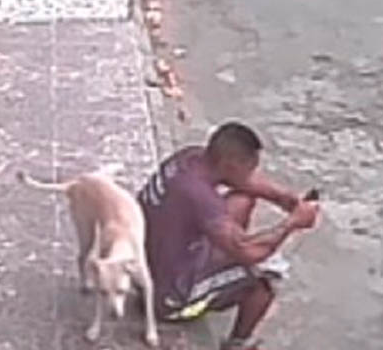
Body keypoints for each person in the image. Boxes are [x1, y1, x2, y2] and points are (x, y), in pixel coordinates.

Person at [137, 122, 322, 349]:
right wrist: (292, 223)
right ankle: (237, 343)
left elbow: (246, 184)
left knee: (242, 200)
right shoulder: (200, 198)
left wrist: (286, 199)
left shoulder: (191, 158)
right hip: (167, 296)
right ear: (229, 164)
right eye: (249, 167)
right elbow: (250, 253)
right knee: (263, 283)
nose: (252, 174)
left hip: (150, 259)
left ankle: (225, 258)